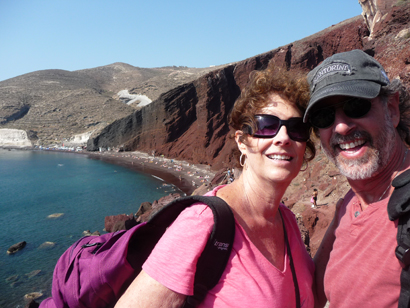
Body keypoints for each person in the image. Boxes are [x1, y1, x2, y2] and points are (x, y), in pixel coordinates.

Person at [115, 63, 316, 308]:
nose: (283, 138)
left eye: (297, 129)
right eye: (267, 125)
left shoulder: (289, 223)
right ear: (242, 142)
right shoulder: (203, 223)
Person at [303, 49, 410, 308]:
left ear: (392, 110)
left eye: (356, 105)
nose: (341, 126)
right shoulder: (350, 203)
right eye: (324, 116)